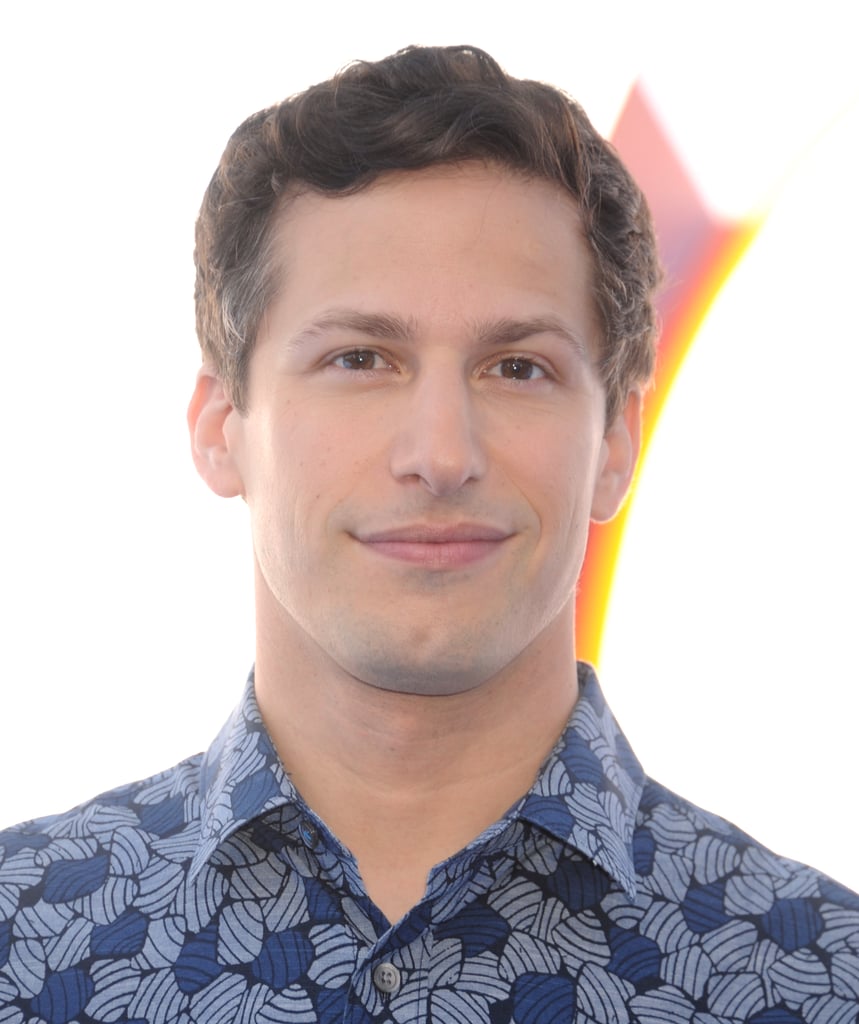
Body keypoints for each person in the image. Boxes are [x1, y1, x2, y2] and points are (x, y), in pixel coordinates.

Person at [1, 44, 856, 1024]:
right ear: (219, 426)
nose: (442, 454)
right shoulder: (21, 942)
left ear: (615, 441)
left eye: (517, 367)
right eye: (361, 358)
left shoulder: (823, 978)